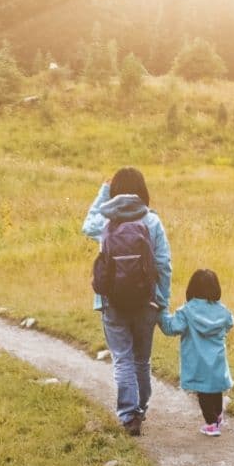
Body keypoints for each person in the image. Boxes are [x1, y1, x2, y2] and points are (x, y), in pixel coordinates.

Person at [82, 166, 171, 435]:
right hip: (146, 301)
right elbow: (163, 264)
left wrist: (103, 191)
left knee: (122, 358)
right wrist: (161, 300)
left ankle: (128, 414)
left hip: (112, 302)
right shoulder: (152, 221)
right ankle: (140, 408)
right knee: (141, 360)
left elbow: (86, 226)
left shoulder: (106, 222)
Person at [161, 269, 234, 436]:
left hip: (197, 360)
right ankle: (218, 416)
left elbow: (173, 328)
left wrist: (161, 315)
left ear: (191, 289)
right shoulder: (222, 310)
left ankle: (211, 424)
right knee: (216, 389)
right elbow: (230, 323)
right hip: (217, 359)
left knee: (203, 394)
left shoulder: (186, 311)